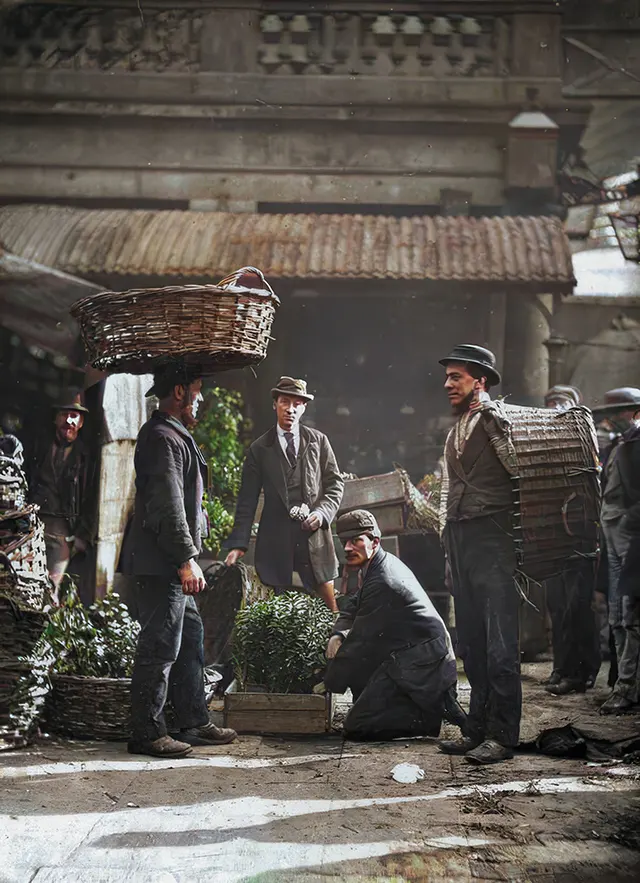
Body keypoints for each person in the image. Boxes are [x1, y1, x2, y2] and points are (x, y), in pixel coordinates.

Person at [120, 363, 237, 758]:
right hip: (161, 562)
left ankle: (194, 720)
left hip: (169, 560)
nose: (201, 400)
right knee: (161, 645)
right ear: (181, 392)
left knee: (190, 639)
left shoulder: (173, 434)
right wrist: (187, 560)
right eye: (198, 391)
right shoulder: (162, 437)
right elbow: (169, 506)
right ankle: (147, 733)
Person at [437, 344, 520, 764]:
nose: (448, 384)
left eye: (457, 377)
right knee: (471, 641)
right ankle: (477, 728)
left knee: (500, 642)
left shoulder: (494, 421)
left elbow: (522, 474)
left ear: (480, 381)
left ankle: (503, 736)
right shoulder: (456, 430)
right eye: (448, 377)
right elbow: (448, 490)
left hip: (494, 538)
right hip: (462, 540)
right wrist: (446, 542)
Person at [323, 509, 463, 740]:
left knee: (357, 726)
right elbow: (353, 605)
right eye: (344, 542)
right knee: (358, 663)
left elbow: (360, 640)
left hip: (426, 665)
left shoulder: (384, 579)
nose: (347, 548)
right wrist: (338, 634)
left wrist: (327, 683)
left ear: (375, 541)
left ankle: (426, 716)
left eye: (356, 541)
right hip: (409, 654)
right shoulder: (378, 564)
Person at [225, 376, 344, 613]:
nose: (290, 409)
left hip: (314, 541)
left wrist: (320, 514)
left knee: (329, 610)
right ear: (275, 404)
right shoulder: (260, 449)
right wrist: (239, 544)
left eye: (297, 404)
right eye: (285, 402)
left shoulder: (318, 442)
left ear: (304, 407)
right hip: (275, 541)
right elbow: (247, 500)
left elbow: (335, 485)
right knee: (276, 612)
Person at [542, 385, 600, 695]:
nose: (555, 409)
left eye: (561, 404)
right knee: (558, 606)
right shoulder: (545, 450)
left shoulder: (587, 443)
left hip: (580, 538)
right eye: (551, 404)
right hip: (554, 541)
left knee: (578, 607)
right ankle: (562, 667)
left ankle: (583, 672)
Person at [594, 388, 640, 714]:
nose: (613, 418)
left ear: (634, 412)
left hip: (630, 537)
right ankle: (623, 684)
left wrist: (628, 524)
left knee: (629, 612)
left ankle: (627, 687)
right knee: (615, 610)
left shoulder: (637, 443)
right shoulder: (619, 444)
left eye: (621, 411)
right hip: (610, 533)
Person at [26, 390, 97, 603]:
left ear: (81, 422)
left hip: (63, 533)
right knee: (26, 584)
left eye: (74, 416)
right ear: (55, 418)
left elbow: (92, 500)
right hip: (33, 528)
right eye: (64, 415)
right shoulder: (38, 448)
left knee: (51, 589)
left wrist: (84, 534)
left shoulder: (86, 458)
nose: (69, 421)